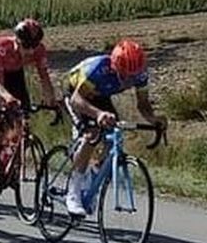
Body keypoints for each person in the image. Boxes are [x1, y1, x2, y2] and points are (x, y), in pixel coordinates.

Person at [62, 39, 166, 216]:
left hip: (101, 96)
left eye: (132, 76)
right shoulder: (98, 69)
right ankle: (73, 191)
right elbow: (76, 101)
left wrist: (153, 120)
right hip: (77, 94)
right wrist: (98, 115)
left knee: (114, 138)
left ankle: (95, 173)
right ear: (114, 65)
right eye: (124, 75)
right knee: (91, 135)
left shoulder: (140, 74)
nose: (128, 80)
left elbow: (143, 105)